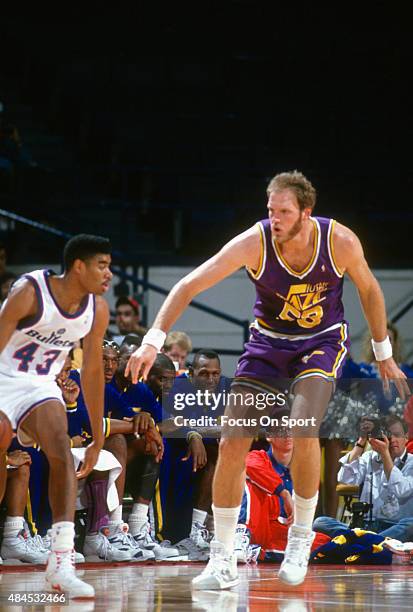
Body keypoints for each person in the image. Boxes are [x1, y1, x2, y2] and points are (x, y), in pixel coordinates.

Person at [126, 170, 409, 588]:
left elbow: (369, 289)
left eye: (283, 211)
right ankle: (221, 559)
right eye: (270, 209)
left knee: (302, 424)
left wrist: (383, 352)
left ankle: (299, 539)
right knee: (230, 439)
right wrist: (152, 340)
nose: (274, 218)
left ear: (305, 213)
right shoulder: (255, 242)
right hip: (267, 346)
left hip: (321, 343)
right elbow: (189, 284)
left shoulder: (339, 242)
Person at [0, 234, 112, 598]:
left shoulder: (97, 309)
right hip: (3, 375)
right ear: (78, 266)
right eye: (102, 265)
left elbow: (93, 373)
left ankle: (61, 561)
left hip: (38, 383)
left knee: (61, 449)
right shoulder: (31, 292)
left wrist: (96, 436)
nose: (108, 273)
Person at [313, 415, 413, 542]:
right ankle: (371, 543)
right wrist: (361, 440)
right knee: (320, 522)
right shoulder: (369, 457)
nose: (392, 439)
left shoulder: (411, 463)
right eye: (388, 434)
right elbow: (345, 478)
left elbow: (402, 490)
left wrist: (385, 454)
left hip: (393, 527)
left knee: (411, 525)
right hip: (363, 527)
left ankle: (358, 543)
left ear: (406, 437)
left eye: (397, 435)